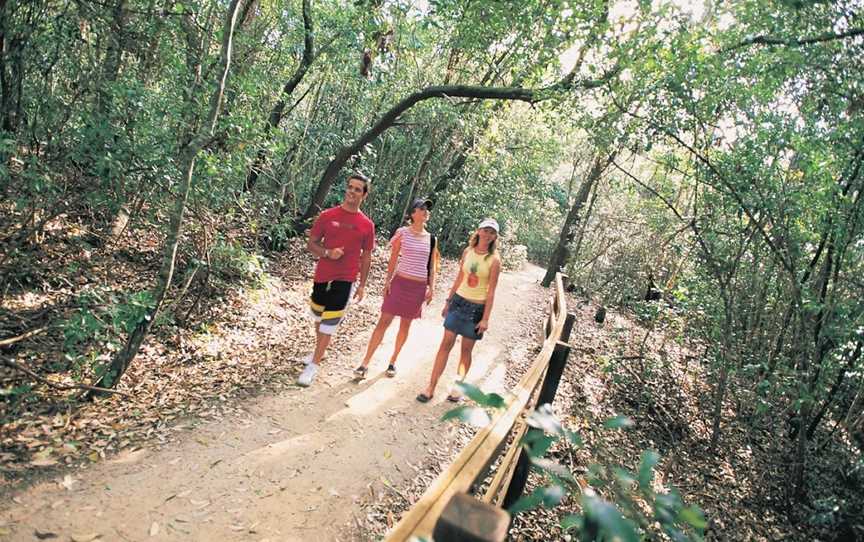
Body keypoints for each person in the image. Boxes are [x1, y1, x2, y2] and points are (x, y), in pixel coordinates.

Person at [297, 173, 375, 387]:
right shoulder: (327, 216)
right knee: (318, 316)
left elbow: (366, 256)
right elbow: (311, 244)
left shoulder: (367, 225)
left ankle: (313, 364)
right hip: (323, 275)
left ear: (364, 195)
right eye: (350, 187)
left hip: (345, 278)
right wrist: (327, 253)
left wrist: (362, 285)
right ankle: (318, 352)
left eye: (358, 189)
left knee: (329, 322)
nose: (352, 191)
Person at [416, 218, 502, 403]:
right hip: (459, 302)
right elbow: (459, 278)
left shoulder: (494, 260)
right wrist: (448, 301)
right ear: (478, 231)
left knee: (466, 350)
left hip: (476, 308)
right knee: (445, 344)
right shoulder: (468, 251)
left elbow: (492, 290)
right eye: (485, 230)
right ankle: (431, 386)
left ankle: (458, 387)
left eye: (492, 232)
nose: (487, 235)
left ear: (495, 236)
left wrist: (485, 318)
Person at [354, 198, 440, 379]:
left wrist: (431, 287)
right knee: (384, 321)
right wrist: (387, 281)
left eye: (427, 209)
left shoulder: (432, 239)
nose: (426, 212)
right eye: (422, 208)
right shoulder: (402, 233)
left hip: (418, 287)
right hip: (400, 283)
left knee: (405, 325)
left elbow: (431, 266)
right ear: (412, 213)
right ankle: (365, 363)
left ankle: (393, 361)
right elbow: (394, 258)